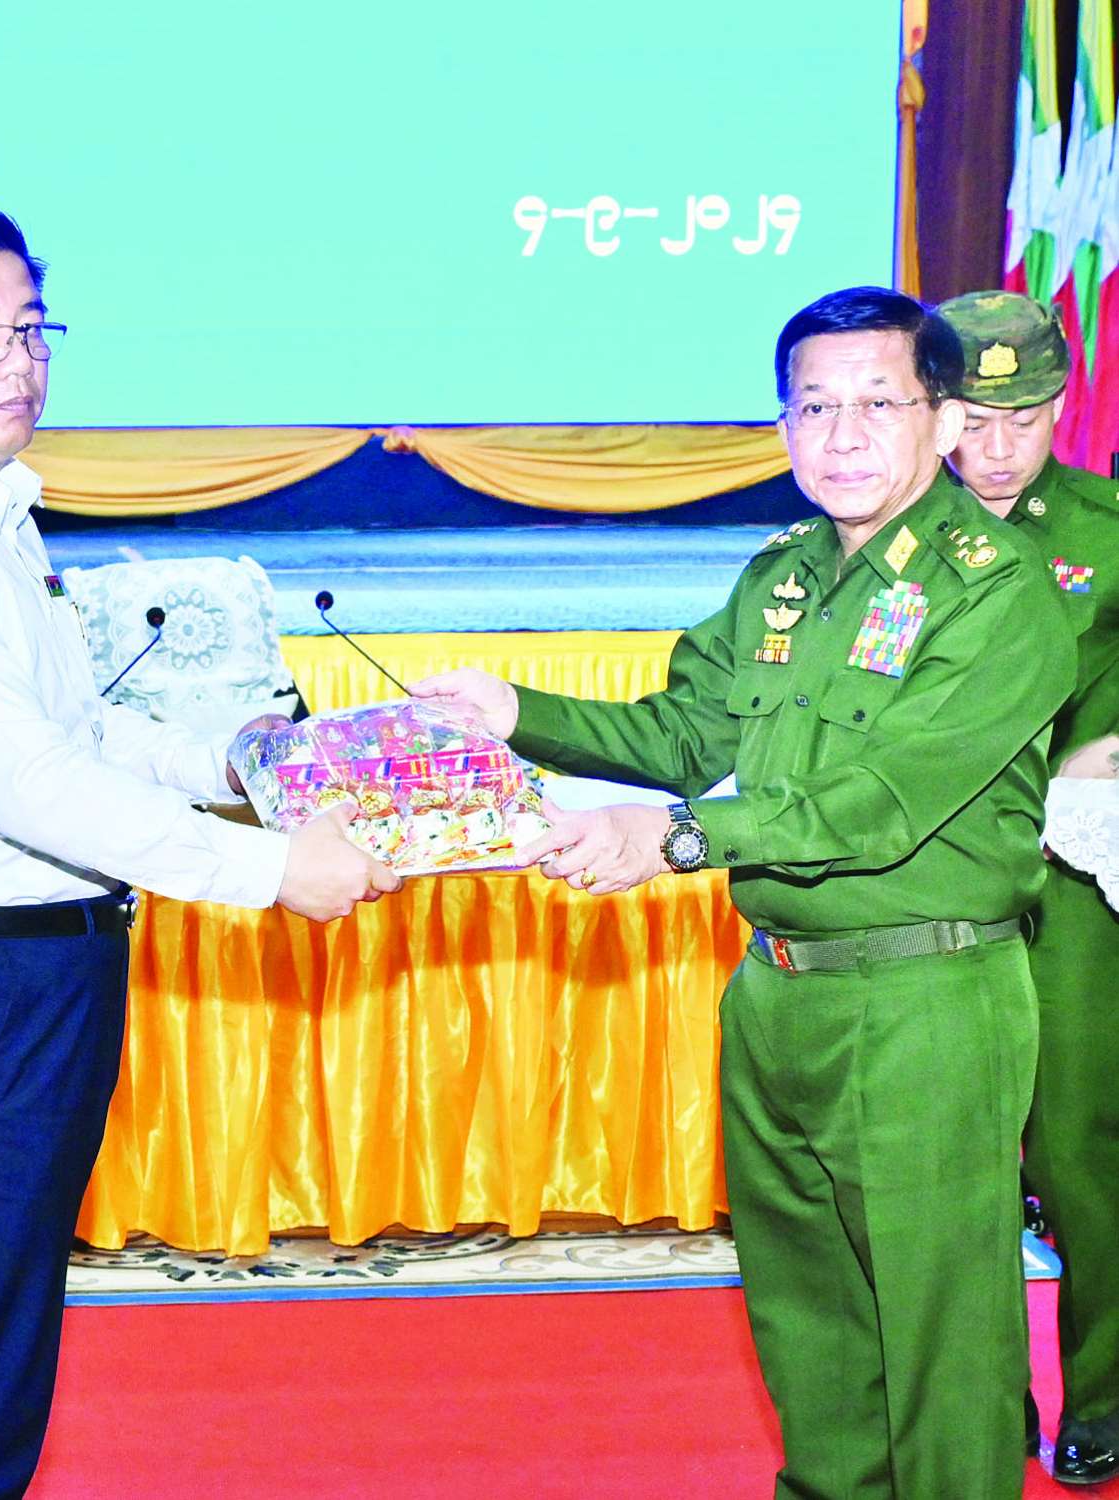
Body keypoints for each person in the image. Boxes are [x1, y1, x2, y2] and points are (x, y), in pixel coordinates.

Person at [411, 286, 1076, 1498]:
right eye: (812, 408)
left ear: (940, 421)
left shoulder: (997, 594)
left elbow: (872, 804)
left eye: (876, 404)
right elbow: (681, 733)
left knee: (940, 1342)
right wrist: (514, 712)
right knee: (808, 1328)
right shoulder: (782, 575)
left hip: (925, 997)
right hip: (774, 994)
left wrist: (670, 841)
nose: (840, 436)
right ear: (780, 428)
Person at [0, 201, 399, 1500]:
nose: (14, 360)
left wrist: (234, 767)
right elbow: (24, 782)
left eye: (30, 329)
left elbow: (78, 727)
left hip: (27, 985)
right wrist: (269, 871)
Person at [941, 288, 1119, 1486]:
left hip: (1069, 888)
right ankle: (973, 1395)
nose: (997, 449)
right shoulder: (883, 536)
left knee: (1076, 1152)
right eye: (974, 420)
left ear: (1060, 408)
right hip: (929, 884)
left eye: (1024, 419)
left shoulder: (1104, 529)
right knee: (950, 1161)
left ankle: (1100, 1395)